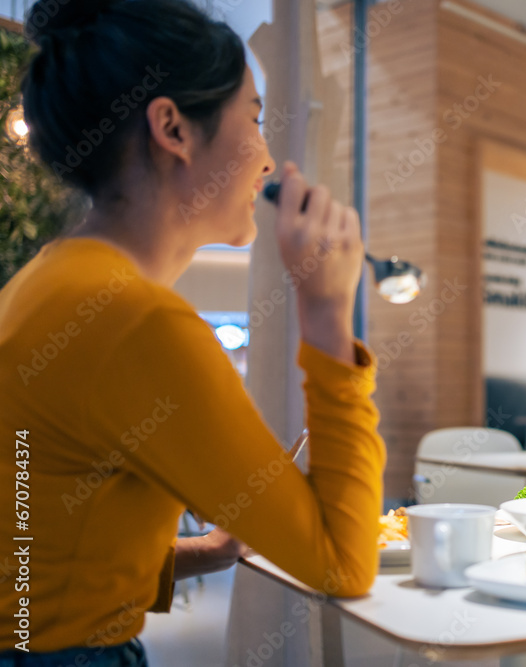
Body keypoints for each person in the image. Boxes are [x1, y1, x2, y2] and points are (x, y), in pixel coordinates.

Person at [0, 0, 384, 663]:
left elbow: (39, 546)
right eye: (256, 120)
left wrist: (208, 549)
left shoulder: (53, 279)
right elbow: (341, 561)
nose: (268, 161)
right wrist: (325, 314)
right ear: (173, 127)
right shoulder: (133, 318)